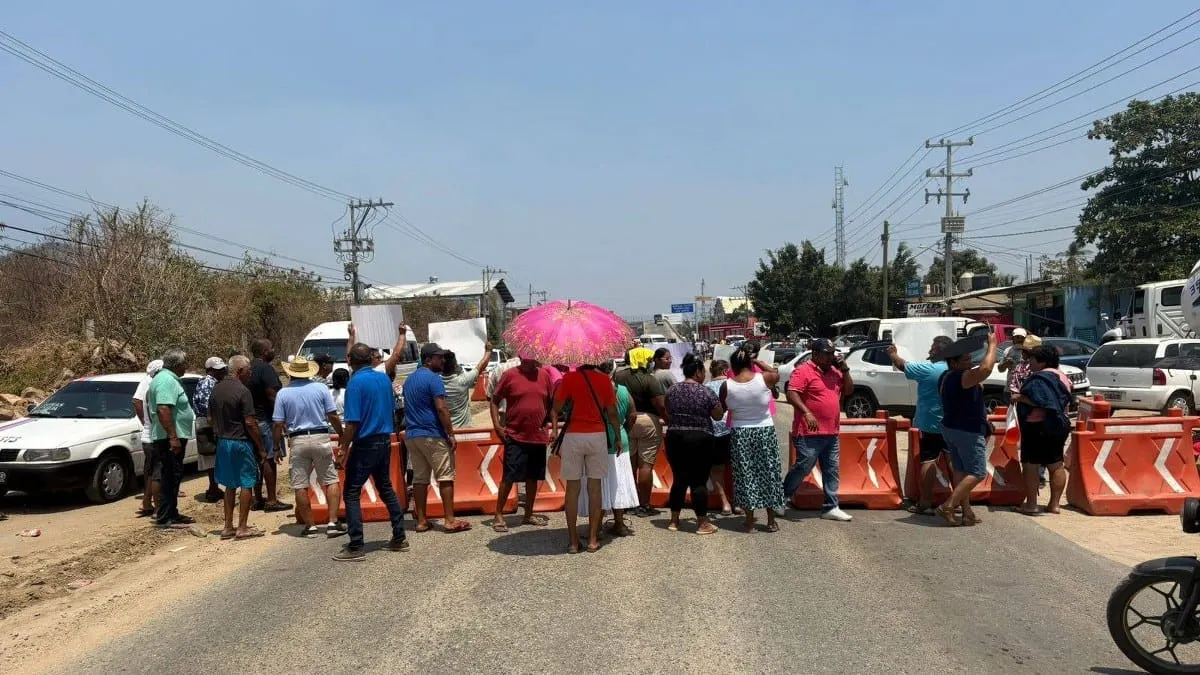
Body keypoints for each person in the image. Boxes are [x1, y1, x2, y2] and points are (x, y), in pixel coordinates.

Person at [335, 343, 409, 561]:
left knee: (351, 492)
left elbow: (352, 423)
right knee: (385, 487)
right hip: (384, 440)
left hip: (364, 442)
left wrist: (343, 449)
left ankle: (356, 544)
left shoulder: (355, 383)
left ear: (350, 360)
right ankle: (399, 536)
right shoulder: (383, 379)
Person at [551, 363, 623, 553]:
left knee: (572, 489)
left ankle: (573, 542)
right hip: (597, 435)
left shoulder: (569, 379)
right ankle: (592, 539)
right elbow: (613, 413)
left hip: (573, 436)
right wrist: (617, 437)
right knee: (595, 488)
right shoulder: (604, 380)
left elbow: (556, 408)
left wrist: (556, 430)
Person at [274, 355, 346, 538]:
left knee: (300, 484)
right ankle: (332, 522)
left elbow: (278, 423)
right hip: (321, 436)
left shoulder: (283, 393)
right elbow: (333, 415)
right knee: (330, 479)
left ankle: (310, 525)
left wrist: (276, 446)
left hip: (297, 440)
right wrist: (343, 436)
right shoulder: (321, 388)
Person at [782, 338, 853, 522]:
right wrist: (806, 412)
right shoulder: (803, 371)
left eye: (832, 353)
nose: (831, 357)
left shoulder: (835, 372)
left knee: (831, 469)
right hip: (808, 431)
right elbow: (791, 393)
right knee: (804, 466)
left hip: (831, 431)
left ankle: (831, 506)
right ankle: (781, 497)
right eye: (827, 354)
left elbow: (849, 390)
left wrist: (845, 370)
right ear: (815, 354)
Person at [404, 343, 470, 533]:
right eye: (439, 357)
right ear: (427, 359)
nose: (443, 360)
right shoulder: (434, 380)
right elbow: (441, 407)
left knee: (420, 478)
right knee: (445, 476)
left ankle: (422, 521)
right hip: (432, 434)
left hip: (412, 435)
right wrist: (450, 433)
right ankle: (450, 520)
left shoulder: (410, 380)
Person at [936, 331, 999, 527]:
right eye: (965, 360)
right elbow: (986, 368)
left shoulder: (946, 376)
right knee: (978, 472)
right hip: (967, 431)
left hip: (951, 428)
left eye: (971, 359)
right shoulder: (960, 376)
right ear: (954, 363)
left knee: (961, 470)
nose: (970, 363)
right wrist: (993, 345)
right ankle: (949, 505)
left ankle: (967, 512)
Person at [886, 337, 953, 515]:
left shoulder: (928, 369)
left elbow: (903, 366)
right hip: (952, 423)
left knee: (928, 461)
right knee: (953, 461)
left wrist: (893, 354)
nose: (929, 351)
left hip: (929, 423)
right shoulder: (956, 370)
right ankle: (959, 500)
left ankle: (925, 502)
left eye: (932, 348)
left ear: (939, 350)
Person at [720, 346, 784, 532]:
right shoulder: (765, 378)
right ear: (750, 363)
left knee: (745, 475)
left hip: (740, 434)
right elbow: (775, 372)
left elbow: (720, 410)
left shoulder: (727, 385)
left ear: (733, 366)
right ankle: (771, 521)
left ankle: (750, 522)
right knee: (769, 473)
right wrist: (757, 361)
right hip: (765, 431)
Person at [489, 354, 553, 532]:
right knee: (509, 476)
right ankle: (498, 515)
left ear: (536, 359)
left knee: (533, 477)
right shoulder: (509, 375)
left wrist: (551, 426)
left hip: (538, 436)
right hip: (515, 435)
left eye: (530, 359)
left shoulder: (544, 376)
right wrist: (496, 425)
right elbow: (494, 400)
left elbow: (550, 403)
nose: (526, 362)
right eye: (524, 359)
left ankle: (528, 514)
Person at [210, 355, 270, 540]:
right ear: (240, 371)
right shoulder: (243, 391)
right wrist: (261, 447)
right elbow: (250, 423)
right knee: (247, 483)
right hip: (240, 442)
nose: (251, 374)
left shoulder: (216, 389)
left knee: (229, 484)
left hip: (223, 442)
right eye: (249, 370)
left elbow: (210, 418)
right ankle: (242, 527)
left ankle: (228, 526)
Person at [664, 354, 724, 535]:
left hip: (675, 437)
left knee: (679, 479)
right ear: (697, 372)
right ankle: (702, 523)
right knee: (698, 482)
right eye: (703, 371)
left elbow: (667, 409)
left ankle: (674, 521)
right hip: (700, 439)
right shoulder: (706, 392)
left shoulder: (672, 390)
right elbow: (717, 415)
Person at [1015, 345, 1073, 516]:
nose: (1029, 362)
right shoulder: (1062, 377)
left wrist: (1020, 397)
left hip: (1037, 426)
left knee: (1031, 465)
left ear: (1042, 362)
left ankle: (1031, 505)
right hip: (1059, 425)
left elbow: (1042, 401)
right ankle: (1054, 505)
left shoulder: (1040, 379)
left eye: (1032, 360)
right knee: (1056, 464)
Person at [614, 347, 668, 516]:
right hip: (648, 422)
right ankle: (644, 504)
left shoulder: (618, 376)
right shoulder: (649, 379)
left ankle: (629, 502)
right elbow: (660, 405)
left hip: (626, 421)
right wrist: (668, 420)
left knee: (629, 464)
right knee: (645, 465)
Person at [588, 360, 639, 537]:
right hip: (620, 440)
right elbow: (632, 415)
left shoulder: (593, 391)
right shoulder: (623, 391)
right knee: (619, 484)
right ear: (615, 372)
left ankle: (596, 526)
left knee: (600, 485)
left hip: (599, 440)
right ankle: (619, 524)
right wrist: (624, 431)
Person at [148, 349, 196, 527]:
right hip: (168, 439)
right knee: (169, 476)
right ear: (177, 365)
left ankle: (172, 513)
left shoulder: (168, 379)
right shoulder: (166, 380)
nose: (186, 367)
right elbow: (163, 409)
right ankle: (165, 517)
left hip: (171, 436)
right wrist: (173, 437)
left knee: (174, 475)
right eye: (184, 364)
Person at [248, 338, 290, 512]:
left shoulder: (249, 368)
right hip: (266, 419)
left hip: (252, 419)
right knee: (269, 459)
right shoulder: (265, 368)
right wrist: (283, 419)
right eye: (272, 348)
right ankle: (272, 500)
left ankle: (258, 498)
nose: (273, 351)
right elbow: (272, 395)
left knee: (257, 459)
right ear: (265, 352)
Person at [193, 357, 227, 503]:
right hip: (208, 423)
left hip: (208, 422)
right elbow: (208, 406)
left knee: (212, 456)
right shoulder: (208, 382)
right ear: (210, 370)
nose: (222, 372)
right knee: (211, 456)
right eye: (218, 370)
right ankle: (213, 488)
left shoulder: (211, 382)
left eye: (222, 369)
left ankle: (214, 487)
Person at [133, 359, 164, 518]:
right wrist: (148, 422)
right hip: (154, 437)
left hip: (149, 436)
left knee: (151, 471)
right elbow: (158, 411)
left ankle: (147, 502)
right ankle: (158, 508)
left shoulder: (150, 383)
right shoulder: (152, 385)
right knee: (157, 472)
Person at [705, 360, 736, 516]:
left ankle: (725, 503)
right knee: (737, 468)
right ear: (725, 371)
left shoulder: (706, 388)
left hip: (713, 432)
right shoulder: (733, 385)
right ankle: (738, 502)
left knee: (717, 469)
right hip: (733, 430)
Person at [440, 345, 493, 429]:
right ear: (455, 365)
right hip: (464, 430)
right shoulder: (462, 381)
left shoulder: (435, 382)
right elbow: (481, 365)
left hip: (444, 431)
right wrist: (488, 351)